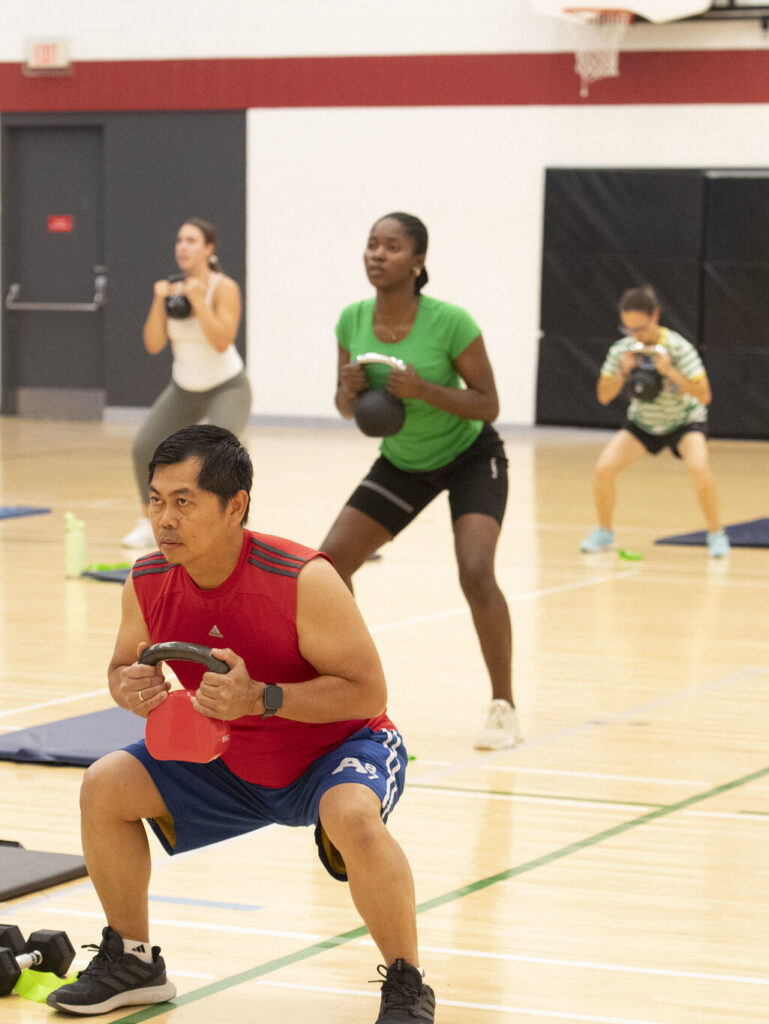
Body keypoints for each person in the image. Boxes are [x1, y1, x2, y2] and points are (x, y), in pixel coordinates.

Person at [48, 426, 435, 1023]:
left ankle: (407, 985)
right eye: (156, 499)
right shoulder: (148, 579)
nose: (164, 518)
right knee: (104, 786)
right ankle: (134, 961)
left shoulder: (303, 577)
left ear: (236, 506)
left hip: (336, 750)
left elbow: (367, 693)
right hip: (228, 760)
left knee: (351, 815)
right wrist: (130, 686)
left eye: (184, 501)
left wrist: (262, 698)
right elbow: (122, 667)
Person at [320, 212, 519, 752]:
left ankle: (503, 706)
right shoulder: (352, 320)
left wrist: (426, 389)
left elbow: (490, 404)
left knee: (476, 570)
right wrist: (349, 389)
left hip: (471, 455)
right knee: (328, 568)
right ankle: (354, 696)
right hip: (404, 462)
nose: (377, 254)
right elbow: (345, 409)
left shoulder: (451, 322)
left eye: (391, 246)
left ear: (418, 261)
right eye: (371, 244)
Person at [121, 219, 252, 549]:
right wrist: (156, 300)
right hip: (184, 388)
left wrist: (200, 302)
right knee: (144, 446)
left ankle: (226, 528)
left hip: (227, 385)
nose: (182, 246)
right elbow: (153, 344)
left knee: (219, 457)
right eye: (179, 240)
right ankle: (145, 520)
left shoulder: (224, 288)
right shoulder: (170, 289)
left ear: (209, 249)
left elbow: (222, 341)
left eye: (191, 240)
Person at [580, 285, 730, 558]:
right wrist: (622, 372)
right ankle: (604, 531)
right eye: (629, 329)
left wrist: (670, 371)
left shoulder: (679, 349)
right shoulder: (622, 351)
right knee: (603, 469)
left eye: (641, 328)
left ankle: (716, 534)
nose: (636, 335)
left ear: (656, 316)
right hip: (643, 423)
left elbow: (704, 395)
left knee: (699, 468)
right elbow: (603, 395)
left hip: (684, 421)